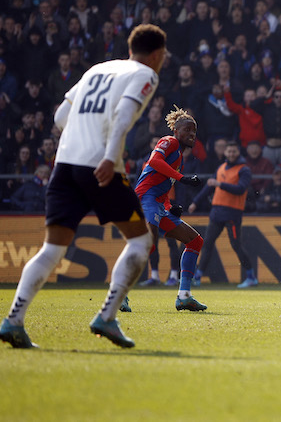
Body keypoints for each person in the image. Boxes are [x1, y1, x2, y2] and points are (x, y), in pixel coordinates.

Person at [2, 25, 167, 349]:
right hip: (99, 166)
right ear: (157, 55)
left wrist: (83, 133)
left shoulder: (97, 69)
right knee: (140, 240)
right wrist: (107, 154)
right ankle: (106, 316)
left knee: (53, 249)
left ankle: (13, 320)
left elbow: (61, 115)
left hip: (64, 166)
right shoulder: (145, 73)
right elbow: (122, 115)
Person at [133, 106, 208, 311]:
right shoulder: (169, 141)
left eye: (194, 131)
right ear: (176, 130)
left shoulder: (179, 158)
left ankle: (184, 295)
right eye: (188, 130)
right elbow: (155, 161)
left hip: (157, 202)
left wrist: (170, 207)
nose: (192, 134)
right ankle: (120, 293)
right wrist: (182, 178)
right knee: (147, 243)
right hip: (144, 197)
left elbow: (164, 189)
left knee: (195, 241)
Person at [190, 142, 257, 288]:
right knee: (207, 243)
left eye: (234, 151)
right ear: (225, 152)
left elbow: (240, 189)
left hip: (232, 213)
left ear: (238, 152)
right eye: (229, 151)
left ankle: (251, 277)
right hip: (217, 212)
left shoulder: (244, 169)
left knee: (236, 245)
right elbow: (209, 186)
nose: (231, 154)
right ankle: (198, 276)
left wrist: (220, 185)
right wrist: (195, 202)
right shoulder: (221, 167)